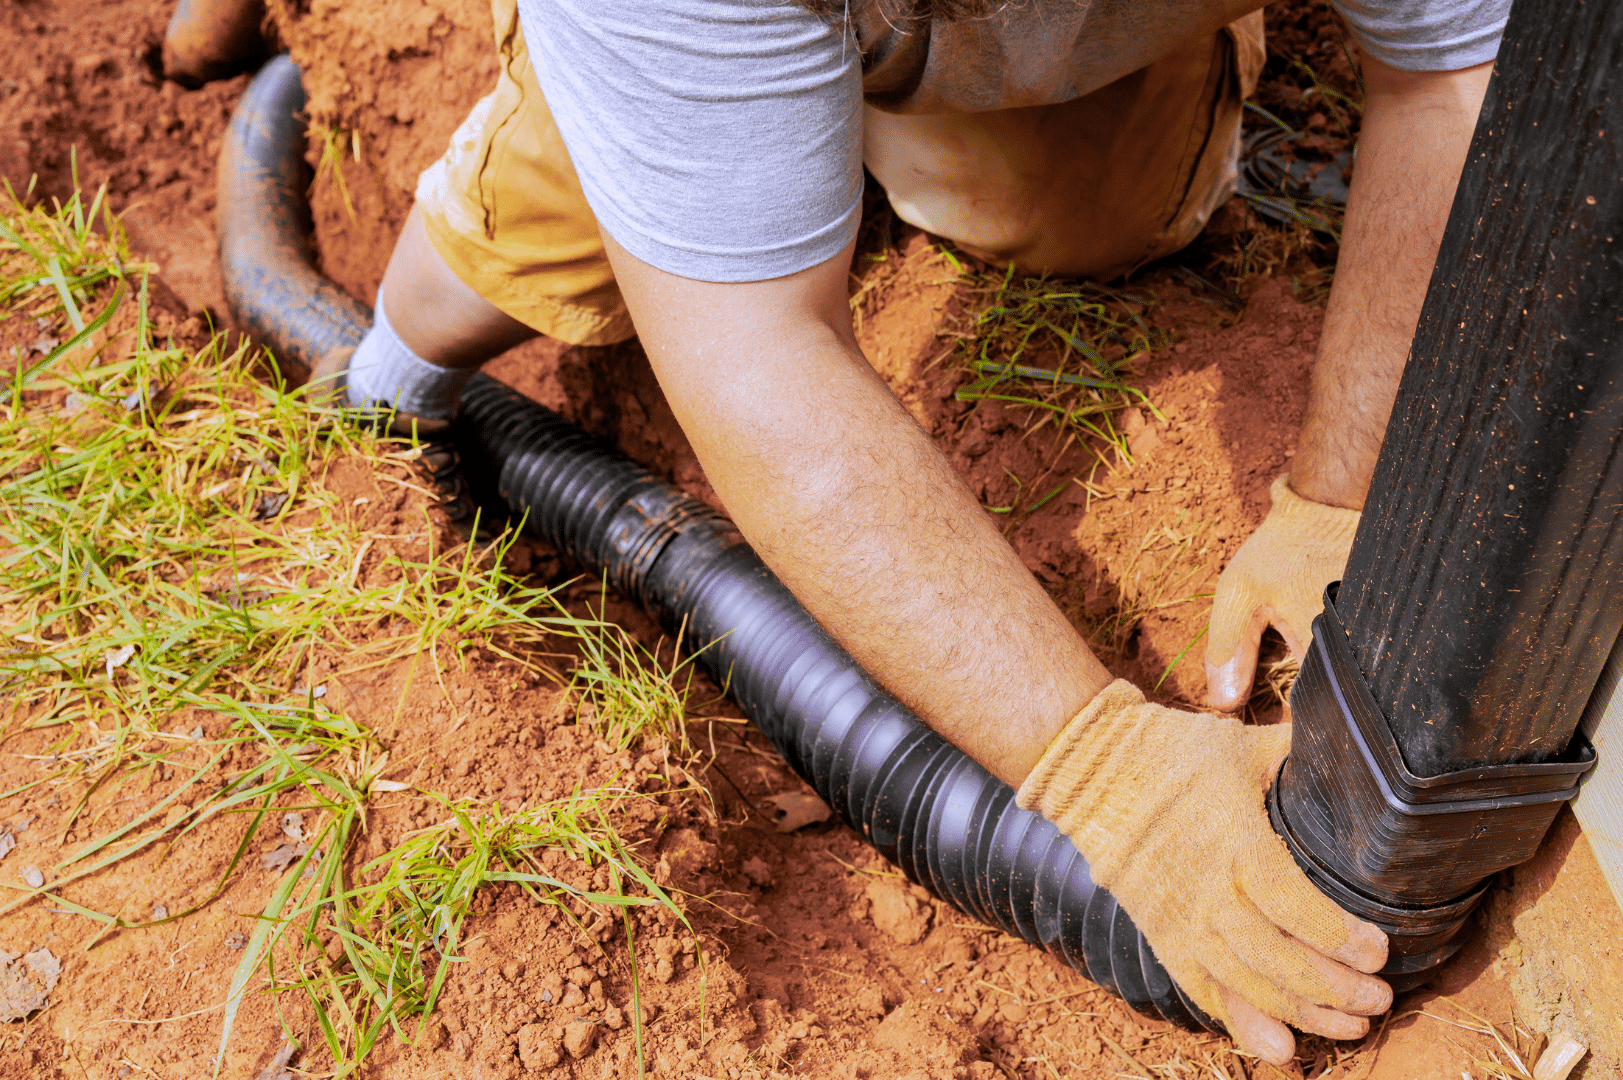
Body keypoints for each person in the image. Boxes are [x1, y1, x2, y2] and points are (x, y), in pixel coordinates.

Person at [310, 0, 1500, 1063]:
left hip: (1034, 33)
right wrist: (1104, 778)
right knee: (486, 269)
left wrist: (1341, 496)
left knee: (1106, 216)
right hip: (704, 37)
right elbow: (755, 355)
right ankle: (383, 371)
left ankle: (820, 153)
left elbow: (1459, 74)